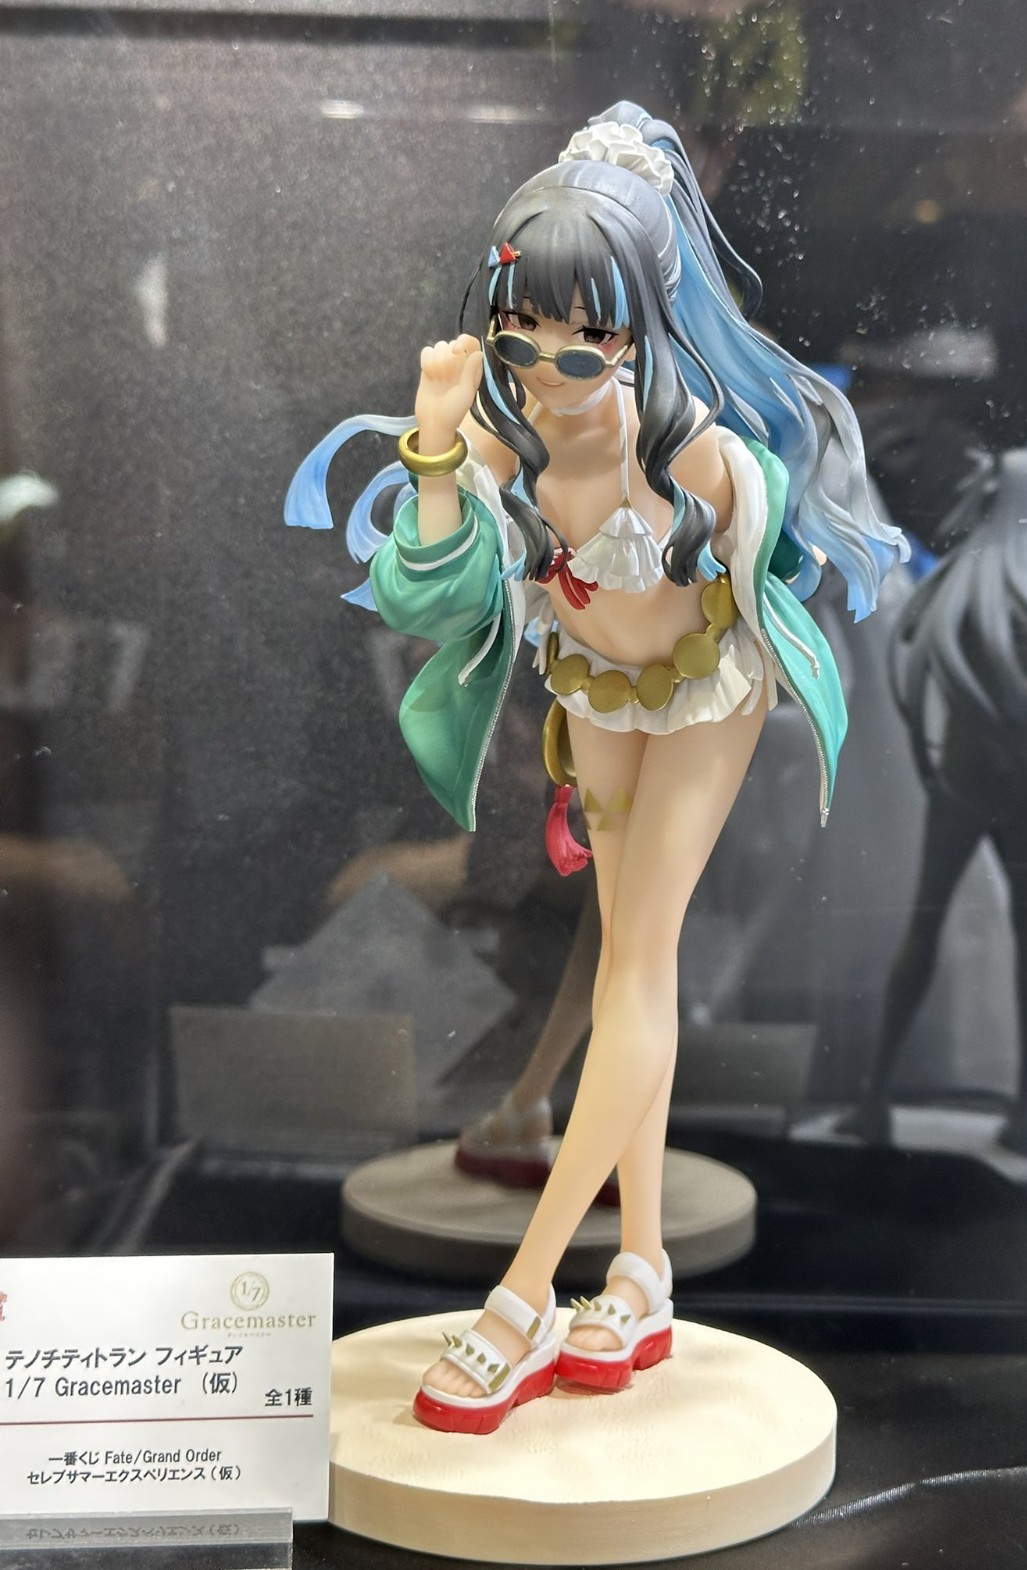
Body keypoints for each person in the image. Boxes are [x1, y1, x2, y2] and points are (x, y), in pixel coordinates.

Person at [287, 103, 906, 1434]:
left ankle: (526, 1296)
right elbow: (422, 591)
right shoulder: (507, 421)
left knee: (637, 962)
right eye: (521, 334)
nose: (548, 364)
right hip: (597, 688)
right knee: (630, 954)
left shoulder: (695, 452)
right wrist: (437, 443)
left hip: (704, 691)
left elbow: (755, 579)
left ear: (638, 325)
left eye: (585, 339)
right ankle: (641, 1272)